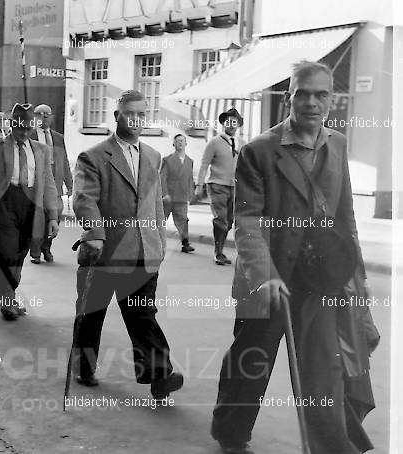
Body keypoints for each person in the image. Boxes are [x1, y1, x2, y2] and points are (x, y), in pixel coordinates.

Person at [210, 61, 378, 454]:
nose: (312, 102)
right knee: (252, 361)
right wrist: (266, 274)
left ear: (332, 100)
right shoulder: (258, 151)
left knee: (324, 368)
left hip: (320, 279)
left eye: (321, 95)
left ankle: (333, 442)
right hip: (268, 277)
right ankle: (231, 431)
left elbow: (345, 215)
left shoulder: (336, 144)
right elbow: (248, 221)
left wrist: (356, 274)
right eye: (303, 93)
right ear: (289, 97)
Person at [70, 89, 183, 398]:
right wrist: (94, 232)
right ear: (117, 116)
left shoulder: (153, 156)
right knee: (91, 314)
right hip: (104, 252)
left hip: (142, 252)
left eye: (142, 114)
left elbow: (155, 204)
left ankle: (160, 375)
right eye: (130, 113)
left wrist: (159, 243)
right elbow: (83, 198)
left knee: (143, 315)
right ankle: (83, 365)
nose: (136, 119)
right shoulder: (93, 156)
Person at [0, 103, 60, 320]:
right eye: (19, 127)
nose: (23, 132)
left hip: (31, 207)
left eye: (28, 128)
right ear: (11, 125)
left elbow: (48, 184)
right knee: (7, 252)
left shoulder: (41, 149)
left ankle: (9, 293)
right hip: (5, 204)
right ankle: (7, 299)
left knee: (20, 253)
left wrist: (53, 216)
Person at [196, 108, 245, 265]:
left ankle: (220, 248)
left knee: (229, 221)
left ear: (238, 125)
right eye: (228, 121)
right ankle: (218, 253)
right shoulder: (214, 142)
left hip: (234, 187)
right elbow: (204, 164)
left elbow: (246, 167)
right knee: (221, 219)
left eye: (234, 122)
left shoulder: (242, 144)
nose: (231, 125)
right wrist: (199, 185)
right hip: (216, 185)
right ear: (223, 123)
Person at [28, 103, 72, 264]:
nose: (44, 117)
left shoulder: (58, 137)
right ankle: (35, 252)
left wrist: (70, 183)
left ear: (52, 117)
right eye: (40, 114)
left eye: (47, 114)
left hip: (56, 183)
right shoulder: (30, 135)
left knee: (55, 217)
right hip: (37, 184)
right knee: (38, 218)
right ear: (35, 117)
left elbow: (65, 161)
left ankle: (46, 247)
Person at [160, 133, 195, 253]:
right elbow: (162, 177)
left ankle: (185, 243)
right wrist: (164, 194)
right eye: (177, 141)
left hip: (181, 197)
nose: (180, 143)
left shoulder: (190, 161)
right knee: (161, 219)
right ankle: (156, 242)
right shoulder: (167, 159)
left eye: (182, 141)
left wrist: (191, 194)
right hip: (168, 197)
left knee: (183, 220)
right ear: (173, 144)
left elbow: (190, 178)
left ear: (186, 144)